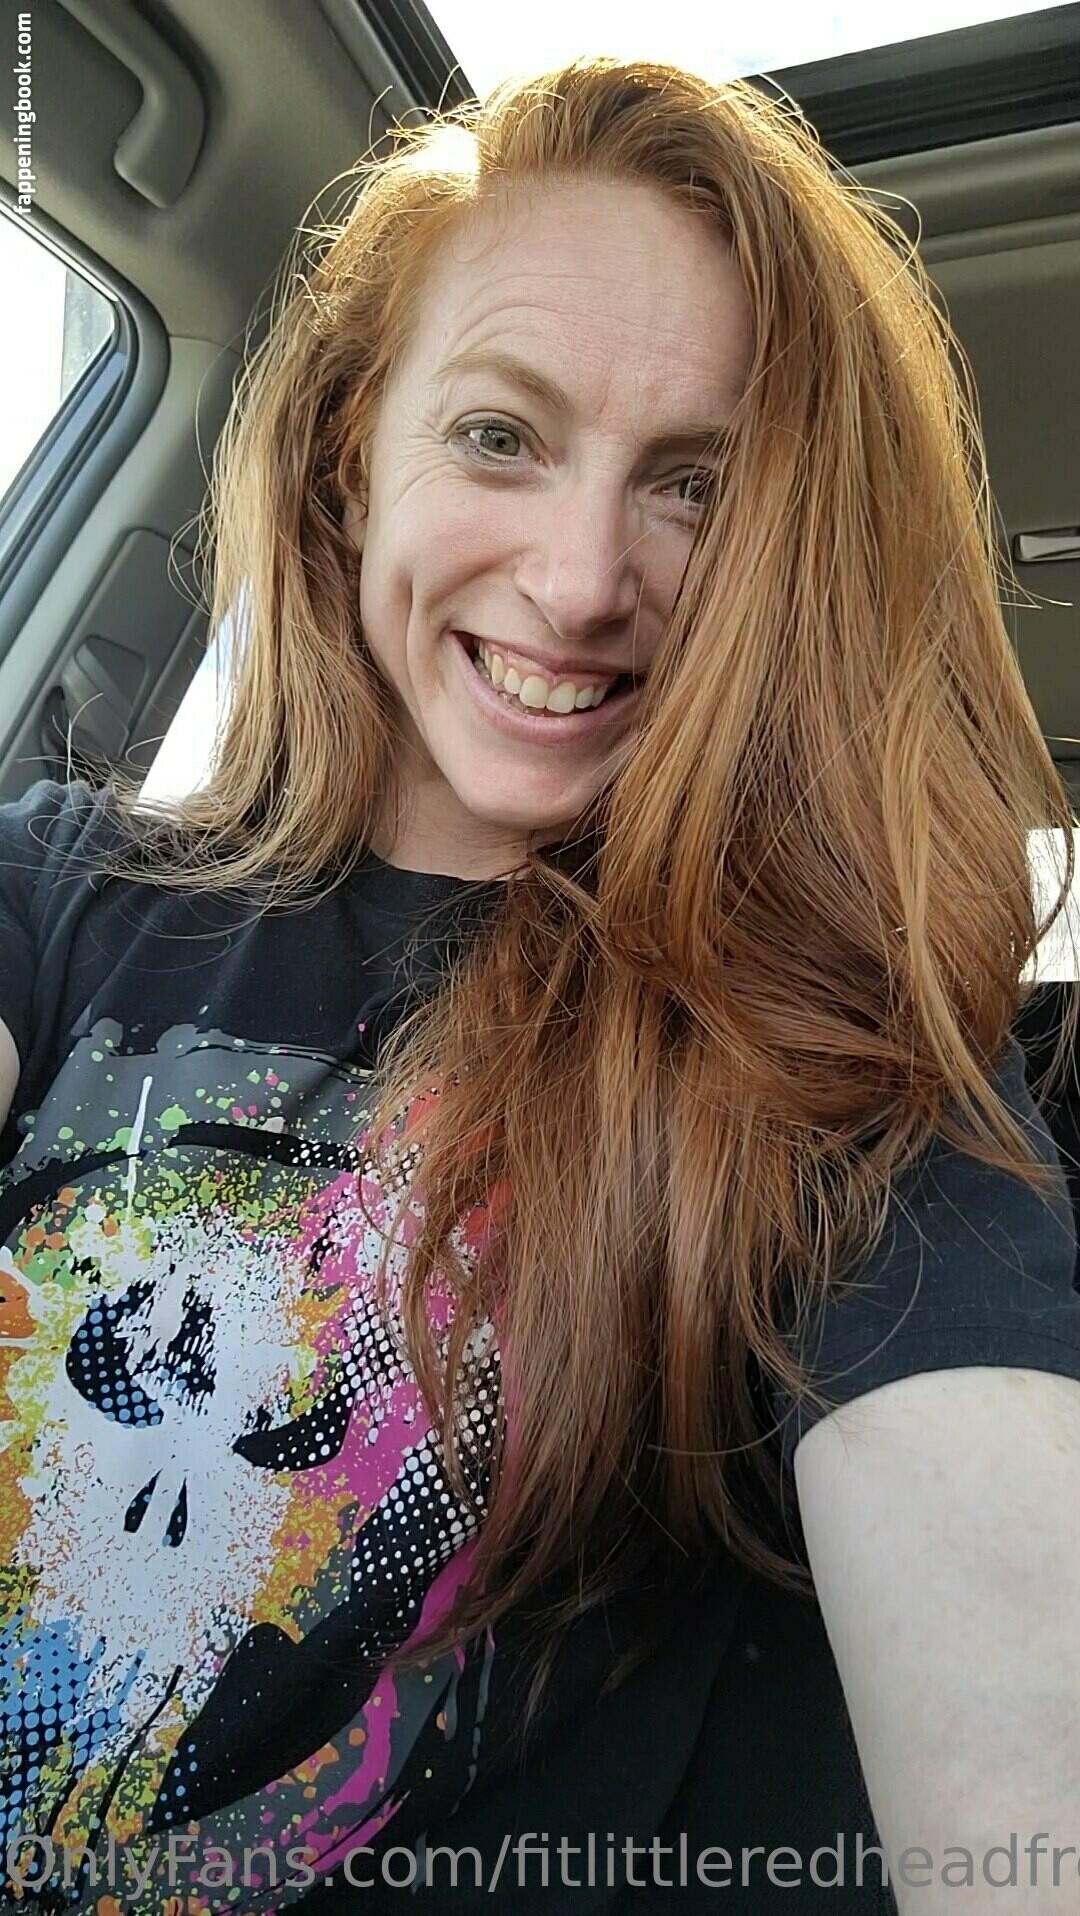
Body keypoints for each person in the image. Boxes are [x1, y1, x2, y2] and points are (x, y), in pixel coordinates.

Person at [1, 54, 1079, 1916]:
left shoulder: (836, 1077)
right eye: (501, 435)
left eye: (695, 486)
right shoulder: (57, 890)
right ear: (353, 453)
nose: (581, 584)